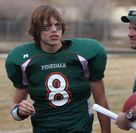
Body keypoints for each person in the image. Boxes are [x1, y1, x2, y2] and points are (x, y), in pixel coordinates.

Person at [5, 5, 111, 133]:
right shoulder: (24, 60)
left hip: (80, 129)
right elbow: (15, 110)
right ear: (36, 30)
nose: (54, 30)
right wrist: (20, 111)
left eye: (58, 26)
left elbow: (101, 100)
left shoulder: (83, 54)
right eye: (47, 28)